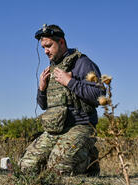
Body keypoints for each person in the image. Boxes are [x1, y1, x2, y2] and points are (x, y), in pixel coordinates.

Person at [19, 24, 105, 176]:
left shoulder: (83, 63)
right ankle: (77, 154)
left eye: (49, 46)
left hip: (80, 126)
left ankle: (90, 160)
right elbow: (44, 106)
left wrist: (70, 82)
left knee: (59, 168)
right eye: (43, 48)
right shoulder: (52, 68)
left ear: (61, 42)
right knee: (26, 167)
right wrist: (42, 88)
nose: (46, 51)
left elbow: (99, 96)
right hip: (55, 130)